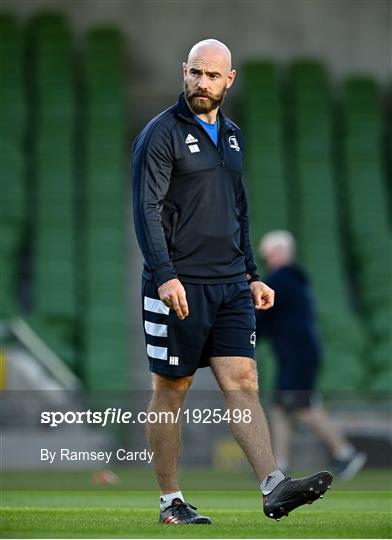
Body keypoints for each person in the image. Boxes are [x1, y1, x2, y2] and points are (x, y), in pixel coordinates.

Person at [131, 39, 332, 525]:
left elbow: (238, 211)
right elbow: (147, 209)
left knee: (243, 381)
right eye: (196, 73)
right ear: (184, 72)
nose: (203, 83)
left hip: (230, 284)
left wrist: (251, 274)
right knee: (172, 387)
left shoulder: (234, 136)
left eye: (212, 76)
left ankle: (273, 486)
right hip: (179, 283)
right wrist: (164, 275)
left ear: (230, 79)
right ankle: (170, 502)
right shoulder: (161, 134)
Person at [256, 230, 366, 479]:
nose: (266, 258)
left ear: (280, 252)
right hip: (297, 353)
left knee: (303, 406)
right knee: (281, 406)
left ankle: (345, 453)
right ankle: (280, 464)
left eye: (269, 253)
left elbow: (263, 316)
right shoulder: (295, 279)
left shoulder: (281, 280)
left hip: (297, 354)